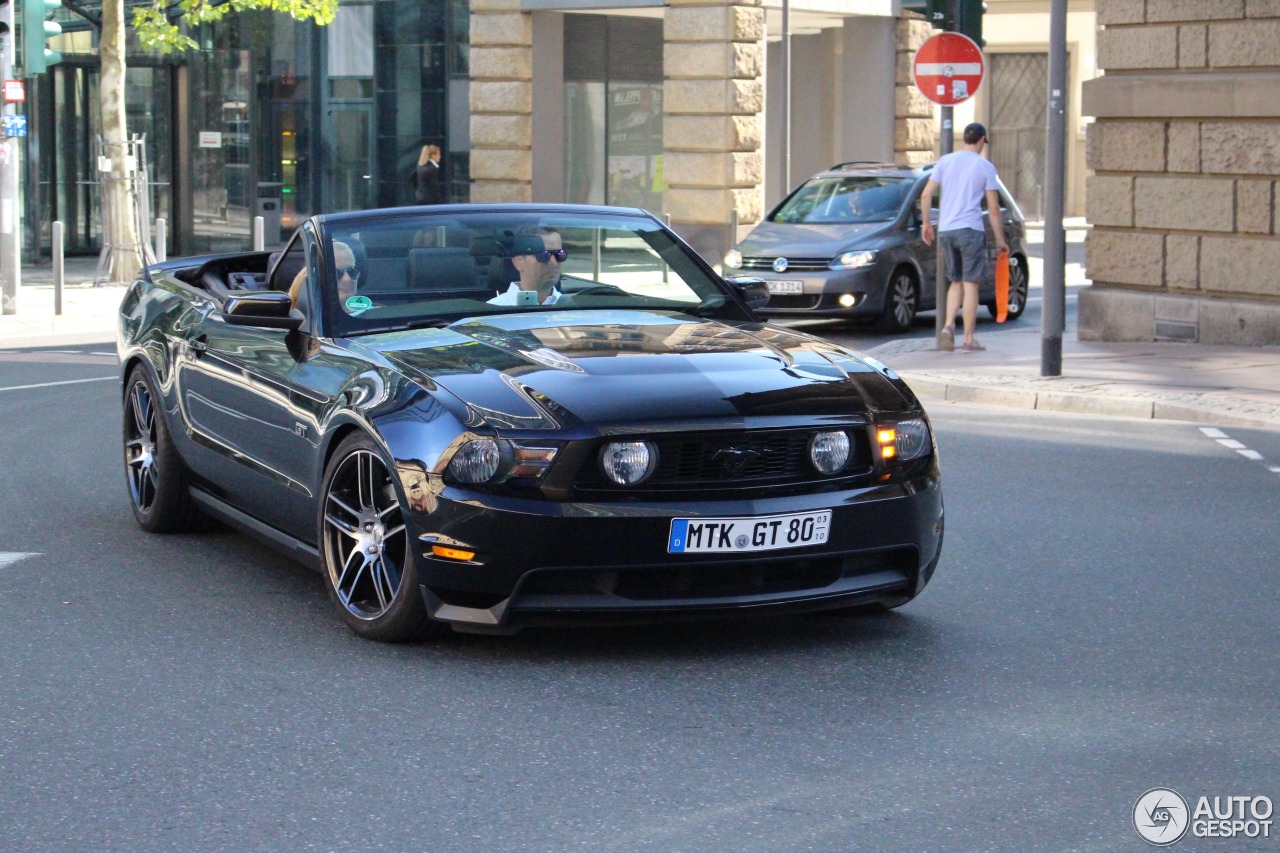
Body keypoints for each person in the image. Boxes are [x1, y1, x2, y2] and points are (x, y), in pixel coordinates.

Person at [920, 122, 1008, 352]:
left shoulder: (946, 161)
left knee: (955, 281)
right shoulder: (985, 167)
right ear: (981, 140)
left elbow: (926, 193)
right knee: (971, 285)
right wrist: (1000, 239)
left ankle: (948, 325)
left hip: (946, 230)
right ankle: (968, 339)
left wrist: (927, 223)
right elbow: (994, 208)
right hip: (970, 230)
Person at [488, 227, 566, 306]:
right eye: (543, 255)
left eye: (559, 254)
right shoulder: (493, 310)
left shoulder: (572, 307)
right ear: (518, 261)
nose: (554, 263)